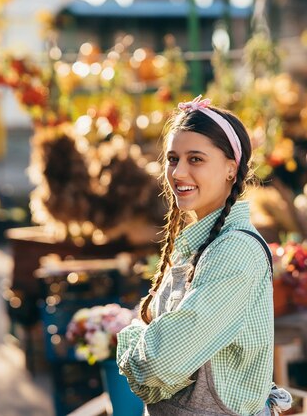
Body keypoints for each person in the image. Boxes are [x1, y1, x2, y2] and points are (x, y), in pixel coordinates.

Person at [116, 95, 292, 415]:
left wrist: (127, 341)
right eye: (172, 159)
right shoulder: (201, 245)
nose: (178, 172)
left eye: (195, 159)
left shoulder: (233, 252)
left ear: (230, 168)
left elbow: (161, 360)